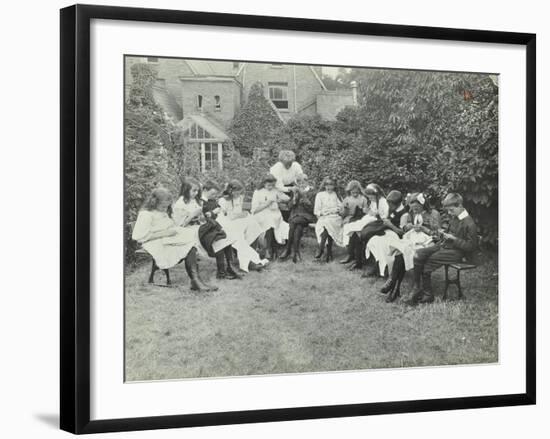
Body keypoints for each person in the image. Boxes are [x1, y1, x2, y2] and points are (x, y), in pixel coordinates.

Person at [131, 187, 212, 292]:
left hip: (167, 238)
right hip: (154, 242)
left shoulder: (162, 211)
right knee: (190, 245)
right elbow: (140, 237)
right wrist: (166, 233)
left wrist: (175, 229)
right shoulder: (146, 214)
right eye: (163, 206)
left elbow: (168, 225)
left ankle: (196, 281)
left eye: (167, 206)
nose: (165, 209)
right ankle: (196, 282)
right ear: (154, 202)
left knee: (192, 239)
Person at [406, 192, 477, 305]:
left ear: (459, 206)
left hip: (457, 252)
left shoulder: (469, 223)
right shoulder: (456, 217)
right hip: (444, 245)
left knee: (428, 261)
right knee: (419, 254)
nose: (449, 213)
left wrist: (453, 239)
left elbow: (471, 247)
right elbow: (449, 232)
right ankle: (416, 287)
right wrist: (442, 233)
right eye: (448, 211)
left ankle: (428, 294)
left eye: (451, 210)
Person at [172, 178, 239, 282]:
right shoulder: (180, 204)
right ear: (185, 190)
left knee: (223, 238)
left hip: (198, 227)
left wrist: (200, 216)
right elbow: (180, 225)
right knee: (217, 238)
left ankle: (228, 268)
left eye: (197, 191)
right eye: (193, 191)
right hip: (188, 231)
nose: (196, 193)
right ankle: (222, 272)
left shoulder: (194, 201)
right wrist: (192, 215)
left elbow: (201, 218)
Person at [213, 179, 267, 272]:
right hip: (226, 224)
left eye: (240, 192)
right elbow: (229, 216)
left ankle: (249, 259)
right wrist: (241, 215)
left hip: (238, 221)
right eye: (237, 192)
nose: (238, 194)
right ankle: (249, 262)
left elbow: (239, 212)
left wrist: (242, 214)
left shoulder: (239, 198)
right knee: (239, 236)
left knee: (253, 225)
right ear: (231, 191)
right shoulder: (223, 200)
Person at [251, 174, 290, 260]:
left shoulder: (275, 190)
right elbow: (254, 210)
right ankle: (268, 249)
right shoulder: (258, 192)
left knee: (274, 221)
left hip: (275, 213)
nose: (270, 187)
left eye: (272, 185)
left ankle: (272, 248)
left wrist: (280, 199)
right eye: (269, 185)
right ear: (264, 183)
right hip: (261, 213)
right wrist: (267, 203)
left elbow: (287, 198)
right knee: (268, 222)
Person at [279, 173, 316, 263]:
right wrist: (294, 200)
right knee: (297, 227)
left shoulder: (313, 192)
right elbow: (289, 207)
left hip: (306, 216)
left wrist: (305, 200)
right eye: (299, 183)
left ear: (307, 182)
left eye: (303, 182)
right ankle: (296, 253)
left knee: (294, 223)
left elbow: (313, 209)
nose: (301, 184)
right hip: (295, 216)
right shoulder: (295, 192)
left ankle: (288, 250)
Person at [314, 177, 344, 262]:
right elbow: (317, 210)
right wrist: (323, 213)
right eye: (327, 185)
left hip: (335, 217)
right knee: (325, 224)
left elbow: (341, 207)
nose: (329, 187)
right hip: (324, 216)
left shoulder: (336, 195)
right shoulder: (320, 195)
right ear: (324, 185)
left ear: (334, 186)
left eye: (331, 185)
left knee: (328, 223)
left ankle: (321, 248)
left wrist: (334, 210)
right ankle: (327, 252)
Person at [339, 180, 369, 265]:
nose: (355, 194)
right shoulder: (346, 199)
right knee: (347, 229)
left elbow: (366, 211)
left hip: (360, 218)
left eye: (356, 192)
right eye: (353, 192)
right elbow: (342, 214)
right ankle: (350, 253)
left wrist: (362, 210)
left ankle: (357, 255)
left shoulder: (363, 199)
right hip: (349, 217)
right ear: (349, 191)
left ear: (359, 191)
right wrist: (345, 209)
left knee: (356, 230)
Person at [269, 150, 304, 222]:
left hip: (292, 187)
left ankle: (297, 218)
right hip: (278, 189)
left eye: (290, 163)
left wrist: (299, 184)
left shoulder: (296, 165)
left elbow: (301, 178)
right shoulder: (276, 168)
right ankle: (285, 221)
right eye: (286, 163)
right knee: (285, 201)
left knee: (299, 198)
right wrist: (290, 189)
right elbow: (278, 186)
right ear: (281, 162)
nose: (288, 165)